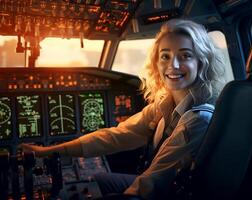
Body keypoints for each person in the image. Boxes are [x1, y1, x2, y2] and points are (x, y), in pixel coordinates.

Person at [20, 19, 225, 200]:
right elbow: (115, 136)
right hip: (164, 186)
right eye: (165, 56)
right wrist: (49, 151)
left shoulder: (199, 119)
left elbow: (152, 182)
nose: (173, 64)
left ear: (201, 62)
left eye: (185, 55)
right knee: (98, 180)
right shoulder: (163, 106)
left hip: (171, 193)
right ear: (156, 62)